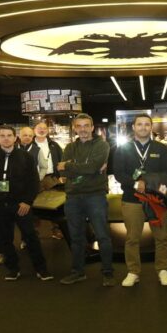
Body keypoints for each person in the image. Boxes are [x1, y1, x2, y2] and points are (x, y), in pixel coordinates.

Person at [0, 125, 52, 281]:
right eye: (2, 135)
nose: (6, 138)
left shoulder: (26, 157)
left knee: (31, 237)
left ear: (14, 138)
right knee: (4, 239)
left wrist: (27, 201)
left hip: (21, 205)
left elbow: (33, 182)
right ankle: (13, 268)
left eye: (9, 135)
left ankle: (41, 269)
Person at [113, 114, 167, 287]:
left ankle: (163, 269)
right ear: (133, 127)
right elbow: (119, 173)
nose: (143, 127)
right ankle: (133, 271)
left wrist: (149, 183)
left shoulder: (161, 148)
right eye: (139, 124)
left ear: (151, 127)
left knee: (161, 237)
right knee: (132, 238)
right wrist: (135, 183)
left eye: (147, 124)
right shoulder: (122, 149)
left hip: (156, 199)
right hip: (132, 199)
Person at [57, 114, 116, 286]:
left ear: (92, 128)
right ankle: (78, 272)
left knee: (102, 236)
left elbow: (91, 167)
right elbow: (62, 172)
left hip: (95, 196)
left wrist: (70, 165)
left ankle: (108, 273)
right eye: (79, 126)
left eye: (86, 125)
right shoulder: (69, 147)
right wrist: (86, 169)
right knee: (76, 237)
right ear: (74, 128)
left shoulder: (102, 145)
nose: (82, 129)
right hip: (73, 197)